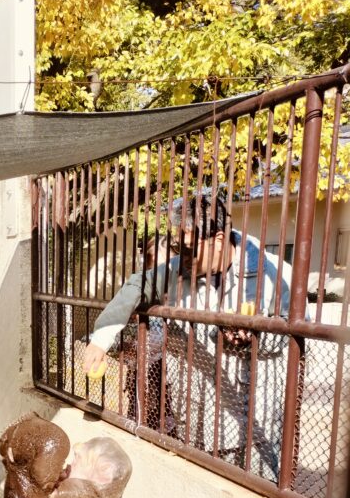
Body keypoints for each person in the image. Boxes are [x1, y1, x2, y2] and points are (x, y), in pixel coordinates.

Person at [80, 193, 296, 482]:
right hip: (198, 415)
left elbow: (294, 333)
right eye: (180, 247)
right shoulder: (180, 268)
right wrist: (101, 338)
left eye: (189, 248)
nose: (182, 256)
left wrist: (254, 336)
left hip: (252, 420)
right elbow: (136, 285)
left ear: (219, 240)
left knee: (256, 486)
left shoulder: (273, 273)